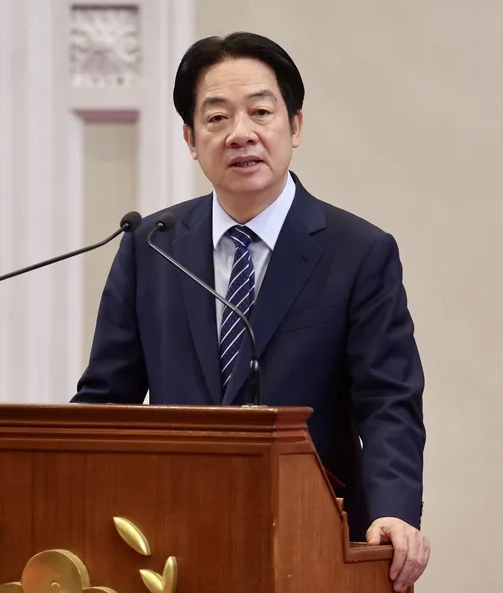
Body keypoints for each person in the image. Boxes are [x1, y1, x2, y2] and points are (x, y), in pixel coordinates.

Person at [72, 32, 429, 592]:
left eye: (261, 112)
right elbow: (105, 399)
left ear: (295, 126)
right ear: (191, 139)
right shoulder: (152, 245)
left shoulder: (358, 251)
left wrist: (394, 510)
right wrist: (70, 496)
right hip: (167, 541)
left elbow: (388, 401)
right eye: (217, 118)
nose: (241, 133)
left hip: (312, 537)